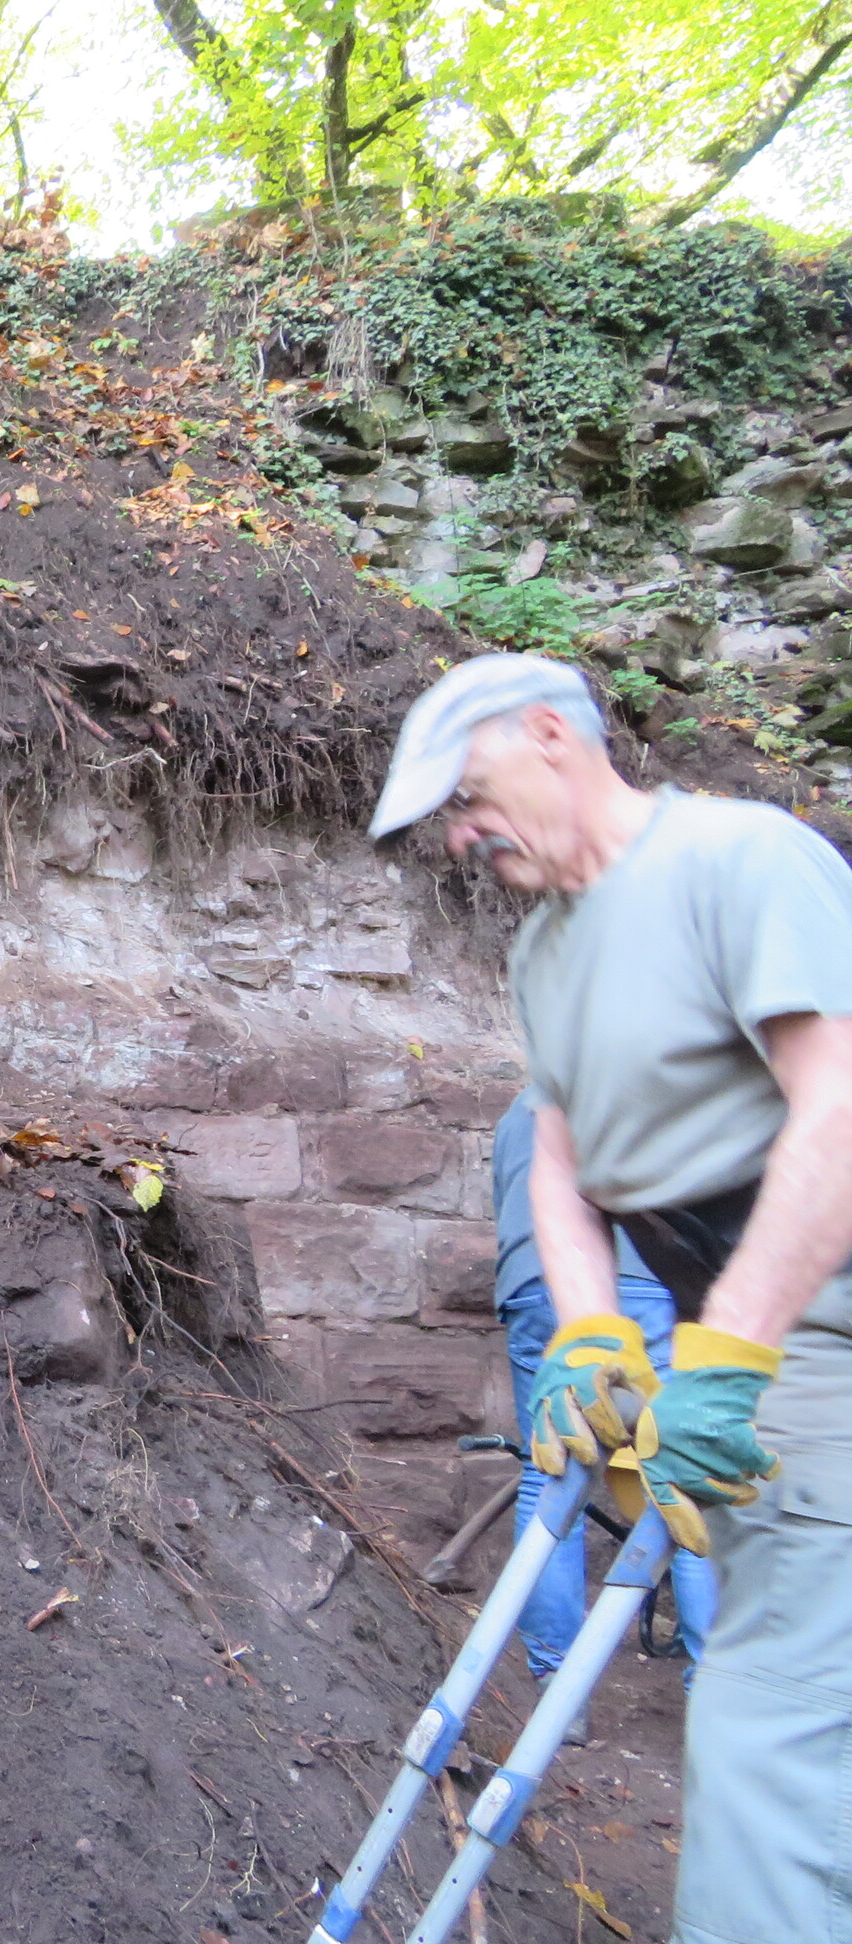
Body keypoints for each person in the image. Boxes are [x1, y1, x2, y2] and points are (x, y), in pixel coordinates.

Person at [371, 652, 852, 1944]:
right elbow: (561, 1165)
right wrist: (590, 1338)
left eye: (469, 796)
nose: (460, 834)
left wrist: (730, 1359)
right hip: (738, 1332)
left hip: (824, 1338)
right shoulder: (547, 950)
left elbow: (839, 1111)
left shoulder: (740, 862)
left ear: (550, 734)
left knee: (773, 1758)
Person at [490, 1091, 717, 1704]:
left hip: (537, 1286)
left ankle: (557, 1685)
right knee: (681, 1473)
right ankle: (714, 1683)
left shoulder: (518, 1114)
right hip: (646, 1282)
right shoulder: (640, 1081)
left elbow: (511, 1212)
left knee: (550, 1472)